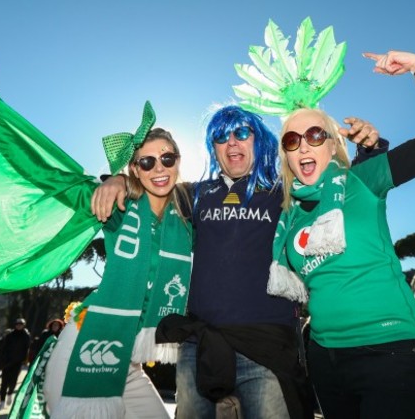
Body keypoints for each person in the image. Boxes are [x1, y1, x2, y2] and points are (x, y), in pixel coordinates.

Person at [93, 108, 381, 418]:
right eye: (221, 136)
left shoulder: (285, 190)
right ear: (212, 147)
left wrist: (368, 151)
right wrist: (119, 180)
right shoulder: (195, 194)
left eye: (242, 133)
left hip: (267, 348)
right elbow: (151, 185)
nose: (232, 143)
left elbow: (344, 192)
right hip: (200, 347)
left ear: (258, 140)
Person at [271, 51, 415, 418]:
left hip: (394, 354)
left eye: (315, 135)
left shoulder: (362, 181)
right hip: (327, 363)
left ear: (333, 144)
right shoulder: (289, 215)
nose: (304, 146)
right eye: (291, 141)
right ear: (286, 156)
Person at [42, 119, 194, 419]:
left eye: (167, 158)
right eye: (147, 162)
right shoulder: (120, 205)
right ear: (135, 169)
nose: (159, 169)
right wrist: (115, 180)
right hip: (86, 343)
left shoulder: (190, 215)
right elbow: (50, 178)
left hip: (129, 359)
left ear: (178, 161)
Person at [0, 318, 31, 410]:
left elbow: (27, 349)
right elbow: (3, 348)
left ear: (24, 325)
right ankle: (2, 402)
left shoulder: (26, 336)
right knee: (4, 383)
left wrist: (25, 360)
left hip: (17, 362)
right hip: (7, 361)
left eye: (21, 324)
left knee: (13, 382)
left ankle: (10, 393)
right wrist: (2, 360)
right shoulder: (10, 335)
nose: (19, 325)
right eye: (17, 324)